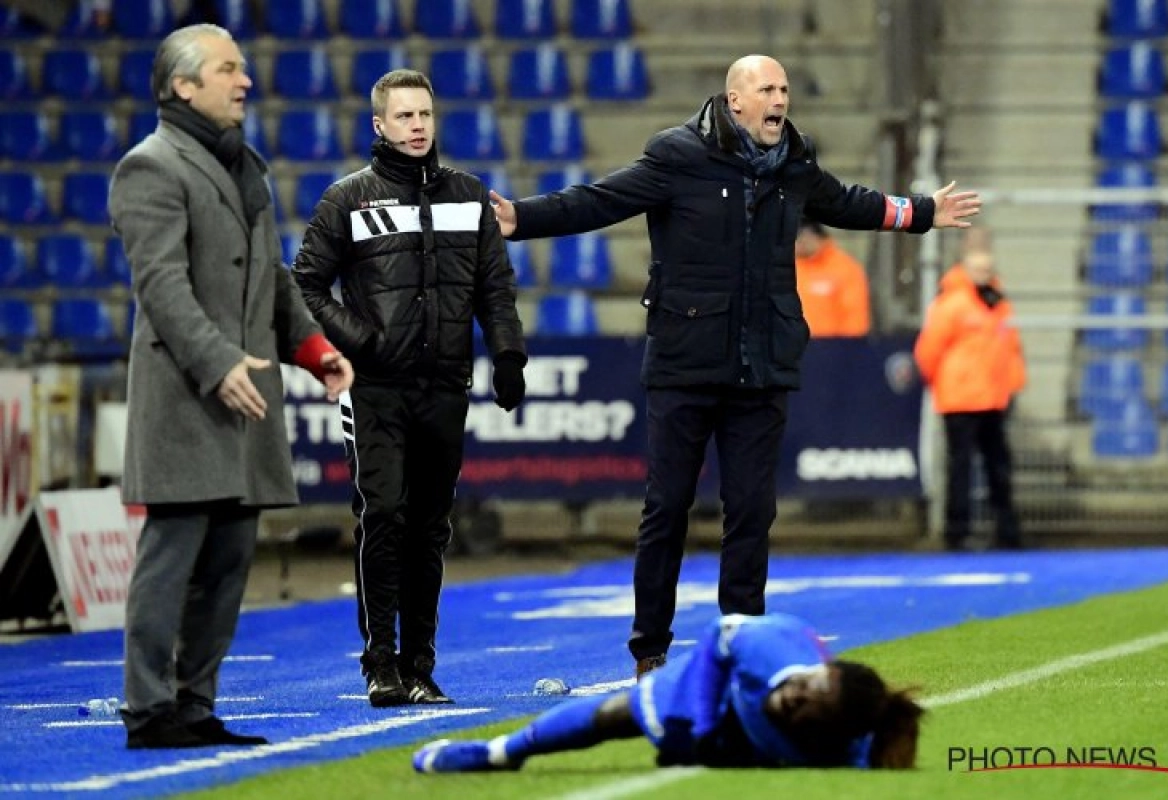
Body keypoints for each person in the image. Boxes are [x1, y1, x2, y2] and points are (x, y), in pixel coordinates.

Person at [488, 54, 981, 679]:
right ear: (735, 101)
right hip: (684, 364)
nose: (780, 100)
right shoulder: (677, 155)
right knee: (666, 508)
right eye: (767, 89)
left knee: (751, 511)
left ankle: (742, 640)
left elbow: (848, 203)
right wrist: (522, 218)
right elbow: (599, 200)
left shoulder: (793, 164)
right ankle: (651, 650)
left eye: (785, 89)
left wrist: (919, 213)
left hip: (762, 365)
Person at [108, 23, 354, 749]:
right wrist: (217, 364)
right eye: (227, 69)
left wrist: (312, 347)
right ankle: (149, 709)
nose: (243, 80)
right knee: (172, 555)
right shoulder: (150, 166)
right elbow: (161, 286)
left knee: (227, 563)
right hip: (191, 393)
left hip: (248, 394)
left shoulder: (243, 164)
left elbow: (272, 276)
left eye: (241, 68)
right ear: (183, 84)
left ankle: (194, 705)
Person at [291, 69, 528, 708]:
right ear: (379, 126)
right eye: (404, 116)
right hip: (376, 387)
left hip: (446, 385)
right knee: (384, 515)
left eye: (424, 114)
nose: (417, 126)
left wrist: (508, 353)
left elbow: (494, 289)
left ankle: (420, 666)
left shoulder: (469, 194)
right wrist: (362, 340)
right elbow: (304, 284)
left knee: (430, 526)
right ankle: (380, 663)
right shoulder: (347, 200)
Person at [411, 612, 923, 772]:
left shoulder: (844, 745)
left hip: (750, 741)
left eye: (812, 705)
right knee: (616, 716)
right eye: (809, 684)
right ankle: (499, 753)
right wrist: (694, 727)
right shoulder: (773, 647)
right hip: (712, 697)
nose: (798, 694)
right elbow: (718, 645)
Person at [914, 238, 1026, 551]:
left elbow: (1011, 348)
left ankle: (1006, 532)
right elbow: (928, 350)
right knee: (961, 467)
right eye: (978, 267)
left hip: (993, 398)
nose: (984, 273)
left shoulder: (998, 302)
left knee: (998, 467)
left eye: (987, 268)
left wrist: (1012, 385)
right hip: (961, 400)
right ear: (965, 268)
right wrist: (945, 383)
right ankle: (957, 532)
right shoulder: (952, 304)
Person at [793, 220, 871, 337]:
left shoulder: (844, 267)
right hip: (792, 347)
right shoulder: (788, 267)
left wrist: (848, 346)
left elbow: (855, 314)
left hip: (833, 346)